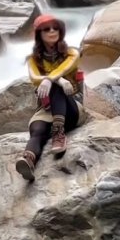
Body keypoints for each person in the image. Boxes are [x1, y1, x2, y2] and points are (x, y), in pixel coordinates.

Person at [15, 14, 81, 183]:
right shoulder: (33, 61)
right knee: (37, 131)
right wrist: (54, 79)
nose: (52, 31)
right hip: (46, 109)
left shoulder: (71, 53)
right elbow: (35, 78)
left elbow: (64, 69)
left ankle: (59, 133)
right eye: (47, 29)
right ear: (39, 34)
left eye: (55, 28)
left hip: (72, 107)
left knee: (55, 86)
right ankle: (28, 160)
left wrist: (53, 80)